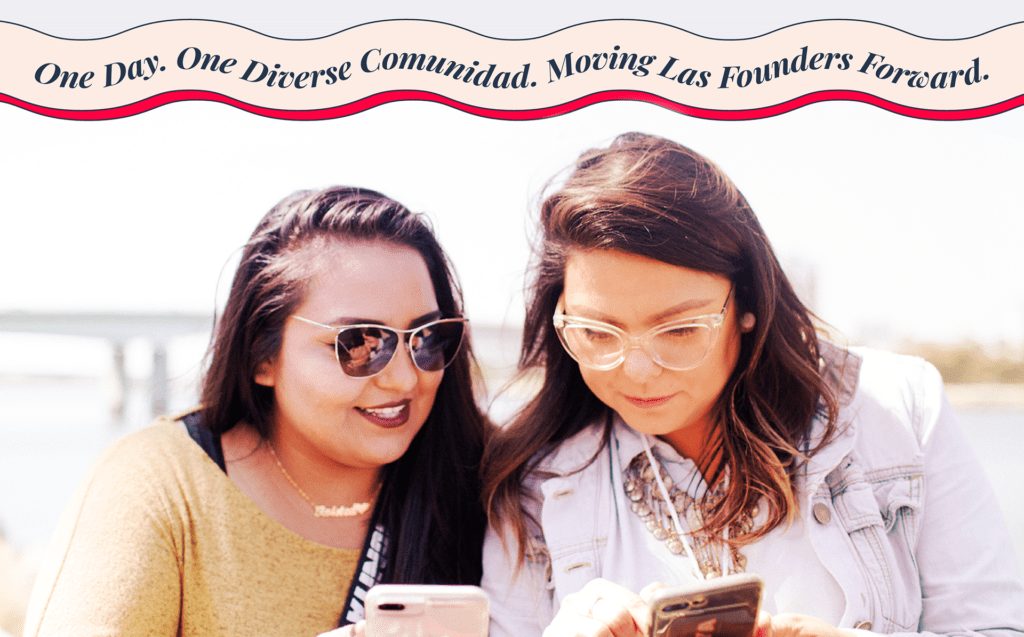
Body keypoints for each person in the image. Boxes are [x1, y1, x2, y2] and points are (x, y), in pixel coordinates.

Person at [480, 133, 1024, 637]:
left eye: (680, 330)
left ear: (746, 307)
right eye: (598, 333)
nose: (638, 371)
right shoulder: (532, 484)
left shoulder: (899, 408)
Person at [24, 187, 489, 636]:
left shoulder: (495, 484)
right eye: (361, 344)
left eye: (427, 339)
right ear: (262, 355)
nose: (405, 379)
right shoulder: (159, 486)